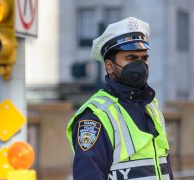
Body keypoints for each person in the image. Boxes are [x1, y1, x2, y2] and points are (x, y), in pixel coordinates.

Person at [66, 17, 173, 180]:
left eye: (144, 58)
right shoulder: (95, 116)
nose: (140, 65)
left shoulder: (152, 107)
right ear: (109, 66)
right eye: (131, 58)